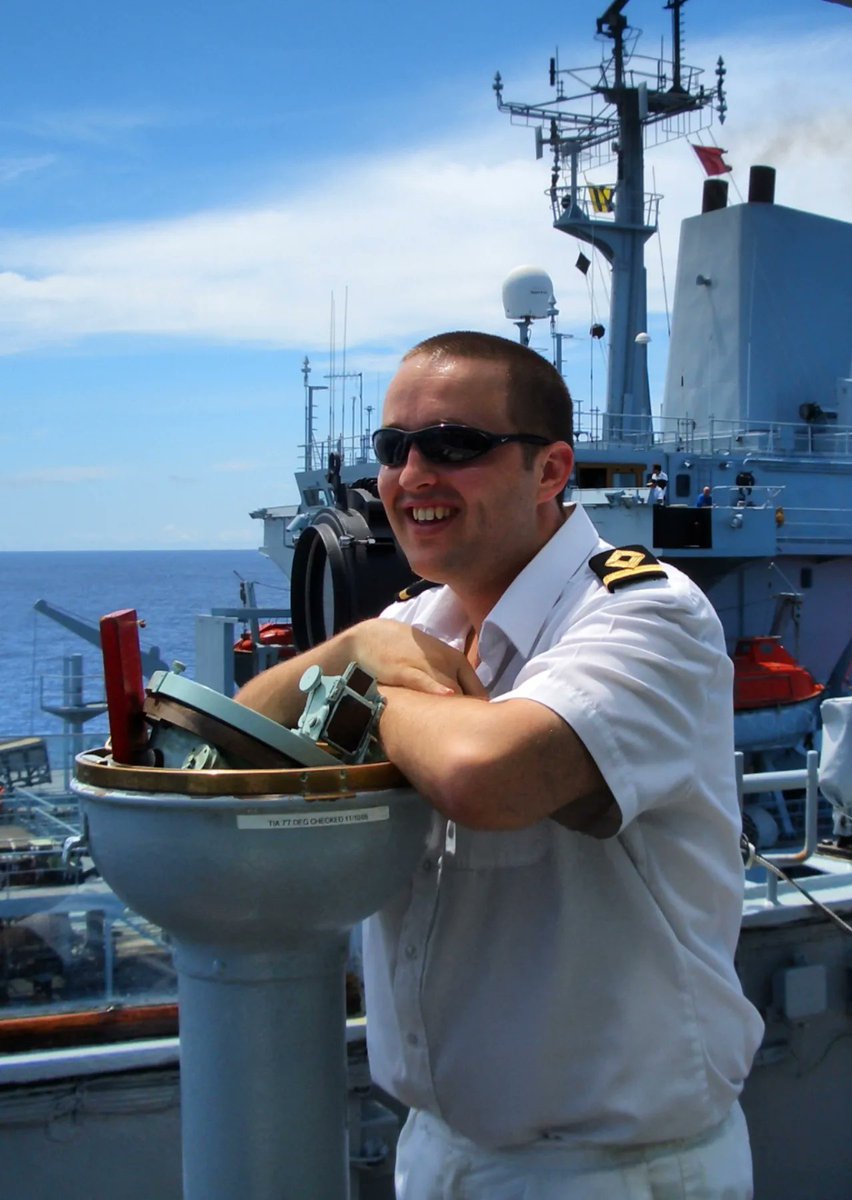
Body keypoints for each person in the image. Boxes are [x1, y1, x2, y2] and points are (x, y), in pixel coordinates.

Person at [237, 331, 763, 1199]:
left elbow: (489, 775)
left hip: (609, 1172)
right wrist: (355, 650)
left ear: (552, 471)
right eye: (393, 448)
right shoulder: (417, 624)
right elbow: (233, 746)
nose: (410, 478)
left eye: (455, 445)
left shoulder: (646, 614)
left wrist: (356, 687)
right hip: (438, 1150)